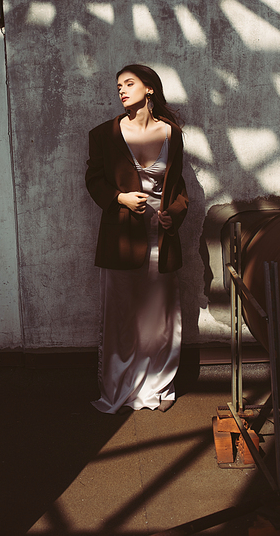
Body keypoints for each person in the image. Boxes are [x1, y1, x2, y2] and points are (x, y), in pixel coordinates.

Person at [85, 64, 188, 414]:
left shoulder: (171, 134)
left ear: (150, 90)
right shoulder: (103, 134)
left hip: (162, 234)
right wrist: (120, 199)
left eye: (129, 84)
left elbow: (180, 189)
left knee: (159, 317)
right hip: (121, 235)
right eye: (118, 86)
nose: (122, 90)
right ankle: (120, 387)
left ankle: (156, 385)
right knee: (122, 313)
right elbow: (94, 181)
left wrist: (173, 213)